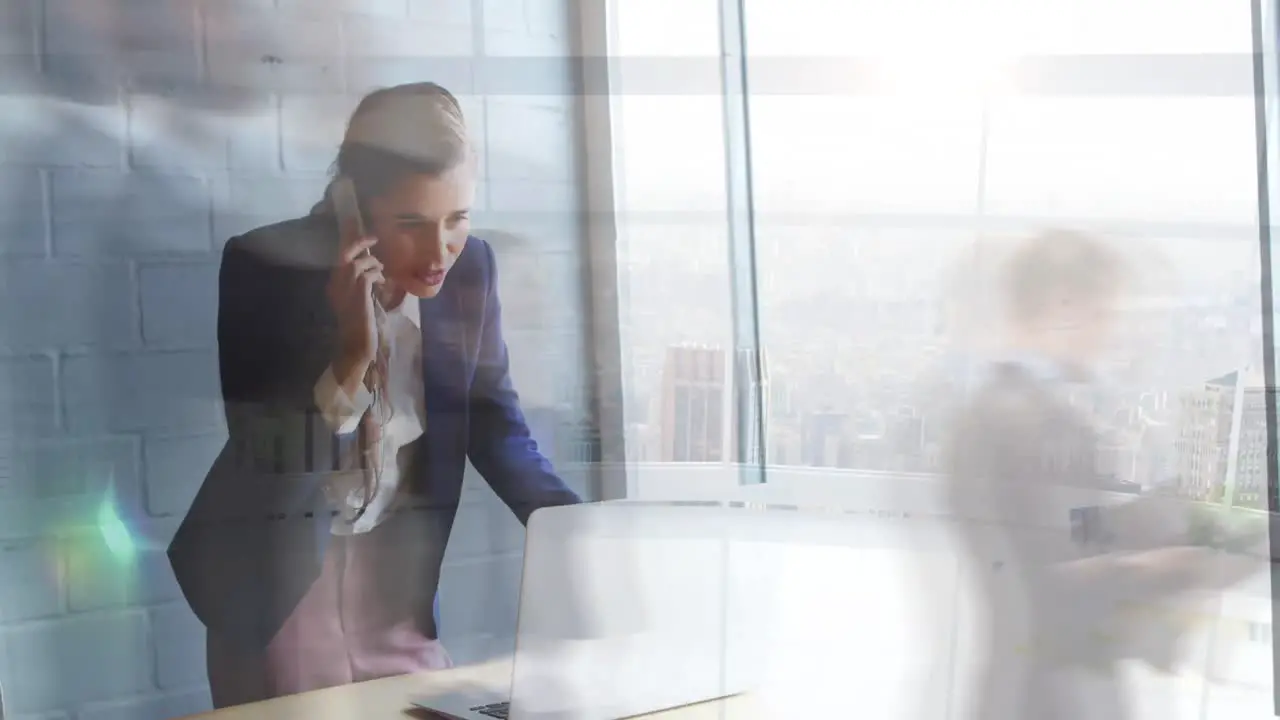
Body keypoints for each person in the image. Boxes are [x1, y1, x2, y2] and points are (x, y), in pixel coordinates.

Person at [167, 82, 582, 708]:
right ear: (354, 208)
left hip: (397, 592)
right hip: (284, 584)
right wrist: (350, 357)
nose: (440, 249)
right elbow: (267, 453)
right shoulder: (266, 268)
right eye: (411, 222)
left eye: (458, 218)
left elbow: (495, 424)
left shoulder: (474, 270)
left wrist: (579, 529)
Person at [943, 230, 1262, 720]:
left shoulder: (1004, 412)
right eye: (1104, 314)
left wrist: (1178, 507)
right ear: (1060, 305)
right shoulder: (1030, 421)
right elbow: (1064, 571)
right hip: (1055, 695)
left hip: (1036, 690)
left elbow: (1077, 533)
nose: (1110, 332)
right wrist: (1180, 558)